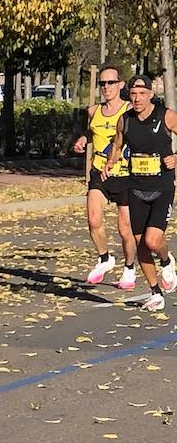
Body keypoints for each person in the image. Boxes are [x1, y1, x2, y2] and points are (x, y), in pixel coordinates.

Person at [107, 74, 177, 312]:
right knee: (141, 245)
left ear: (150, 95)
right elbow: (117, 146)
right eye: (133, 95)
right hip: (136, 188)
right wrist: (110, 163)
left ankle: (167, 261)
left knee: (152, 239)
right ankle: (156, 292)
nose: (136, 99)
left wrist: (175, 158)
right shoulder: (125, 121)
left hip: (162, 187)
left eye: (141, 94)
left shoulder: (165, 115)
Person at [72, 65, 136, 289]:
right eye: (102, 84)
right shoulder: (93, 111)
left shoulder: (130, 110)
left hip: (125, 172)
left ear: (120, 85)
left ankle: (129, 267)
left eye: (110, 83)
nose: (106, 88)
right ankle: (105, 258)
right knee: (93, 218)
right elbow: (93, 131)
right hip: (99, 170)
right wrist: (83, 139)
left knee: (125, 228)